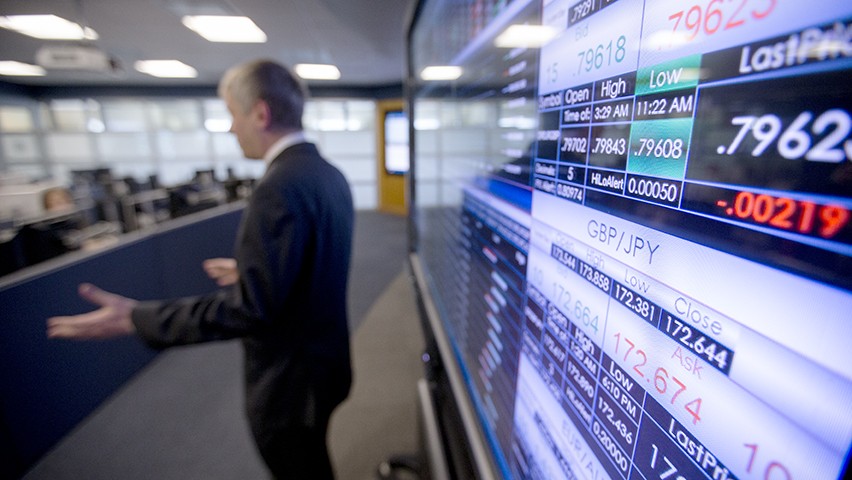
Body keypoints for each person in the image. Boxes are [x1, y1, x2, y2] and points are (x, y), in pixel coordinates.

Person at [47, 59, 354, 480]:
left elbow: (250, 310)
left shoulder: (277, 187)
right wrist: (256, 272)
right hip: (327, 364)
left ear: (260, 114)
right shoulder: (327, 173)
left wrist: (137, 318)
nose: (230, 128)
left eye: (232, 114)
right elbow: (316, 263)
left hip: (291, 387)